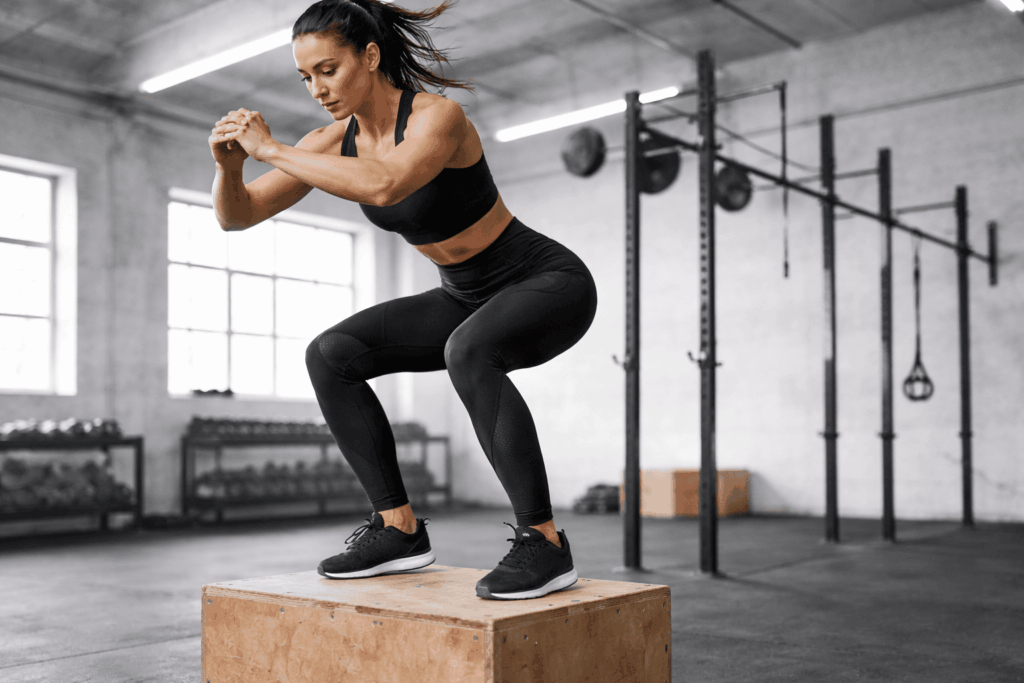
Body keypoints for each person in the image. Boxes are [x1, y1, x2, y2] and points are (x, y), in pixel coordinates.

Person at [209, 0, 597, 601]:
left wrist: (271, 150)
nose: (317, 88)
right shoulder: (331, 141)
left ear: (370, 56)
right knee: (331, 353)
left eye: (328, 69)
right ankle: (399, 530)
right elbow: (239, 216)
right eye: (305, 77)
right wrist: (230, 168)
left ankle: (545, 544)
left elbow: (387, 181)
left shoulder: (438, 117)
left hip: (543, 280)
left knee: (467, 350)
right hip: (463, 293)